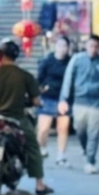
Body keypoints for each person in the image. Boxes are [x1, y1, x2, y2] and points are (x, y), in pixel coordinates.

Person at [0, 40, 52, 195]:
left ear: (0, 55)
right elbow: (36, 101)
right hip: (17, 120)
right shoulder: (25, 76)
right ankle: (39, 184)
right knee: (33, 147)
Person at [58, 34, 99, 174]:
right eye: (91, 45)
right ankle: (86, 150)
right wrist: (64, 98)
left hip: (97, 103)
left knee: (94, 133)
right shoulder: (77, 60)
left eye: (96, 46)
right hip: (80, 101)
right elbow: (68, 79)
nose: (93, 49)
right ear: (86, 46)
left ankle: (90, 160)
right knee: (80, 130)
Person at [37, 35, 73, 166]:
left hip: (64, 98)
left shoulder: (70, 62)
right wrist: (41, 89)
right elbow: (39, 78)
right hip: (48, 97)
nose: (62, 49)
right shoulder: (48, 60)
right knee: (43, 129)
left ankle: (61, 155)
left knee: (62, 128)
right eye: (60, 45)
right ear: (55, 46)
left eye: (65, 46)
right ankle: (42, 149)